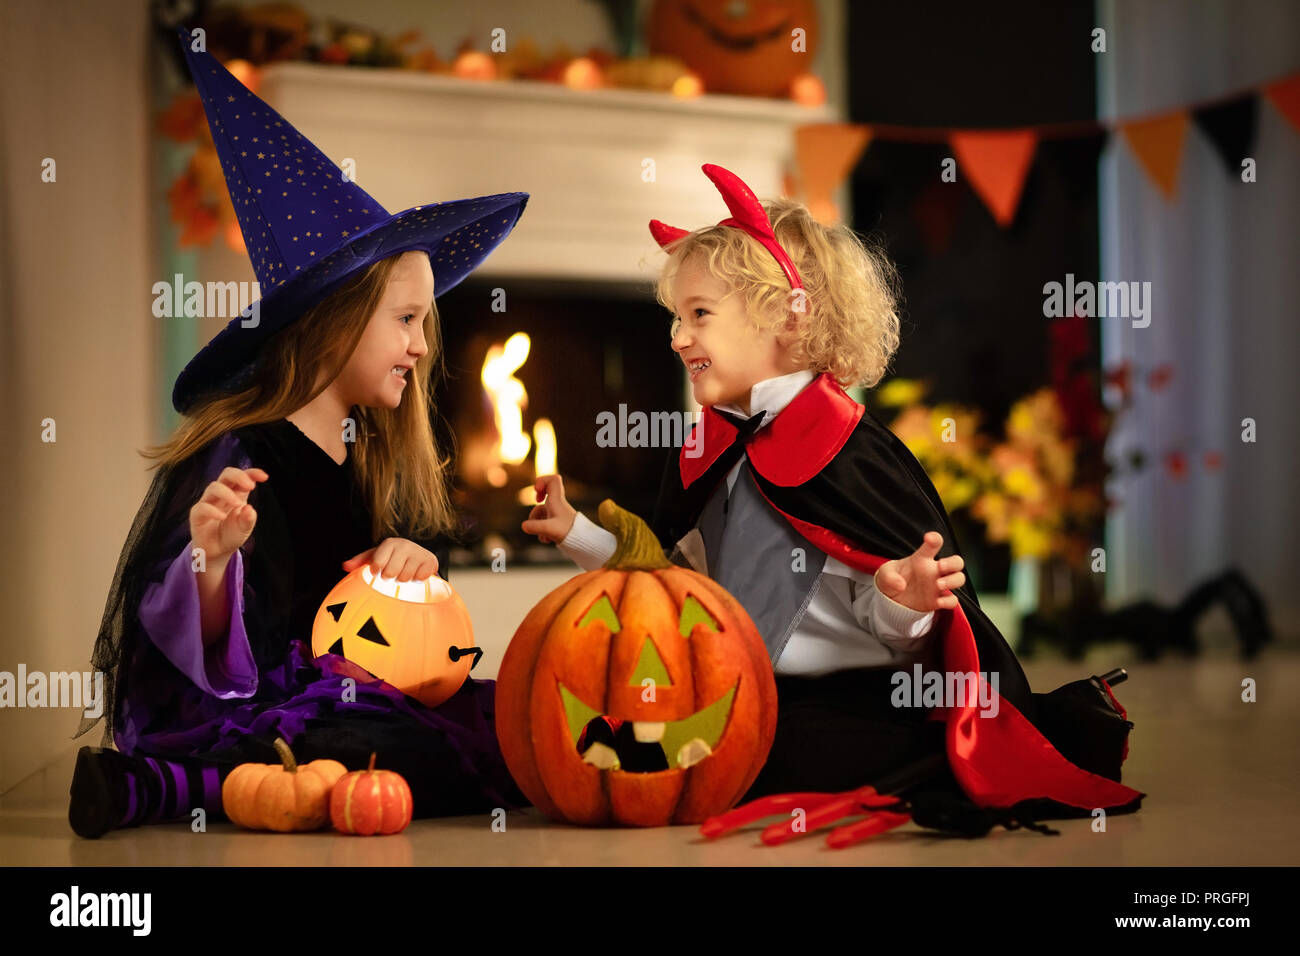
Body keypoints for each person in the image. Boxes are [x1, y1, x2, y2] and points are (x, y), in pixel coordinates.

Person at [522, 165, 1143, 825]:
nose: (677, 338)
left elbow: (901, 640)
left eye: (699, 315)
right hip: (734, 688)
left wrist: (900, 599)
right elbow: (670, 589)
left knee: (775, 750)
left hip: (847, 699)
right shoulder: (711, 450)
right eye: (677, 316)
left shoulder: (848, 455)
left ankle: (1016, 738)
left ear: (787, 319)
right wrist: (577, 533)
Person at [69, 29, 529, 838]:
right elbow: (195, 647)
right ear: (336, 324)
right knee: (362, 745)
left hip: (360, 694)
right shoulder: (244, 452)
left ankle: (209, 785)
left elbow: (408, 615)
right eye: (407, 321)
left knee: (505, 725)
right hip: (271, 705)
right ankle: (168, 785)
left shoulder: (370, 456)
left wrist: (415, 565)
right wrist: (213, 557)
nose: (422, 349)